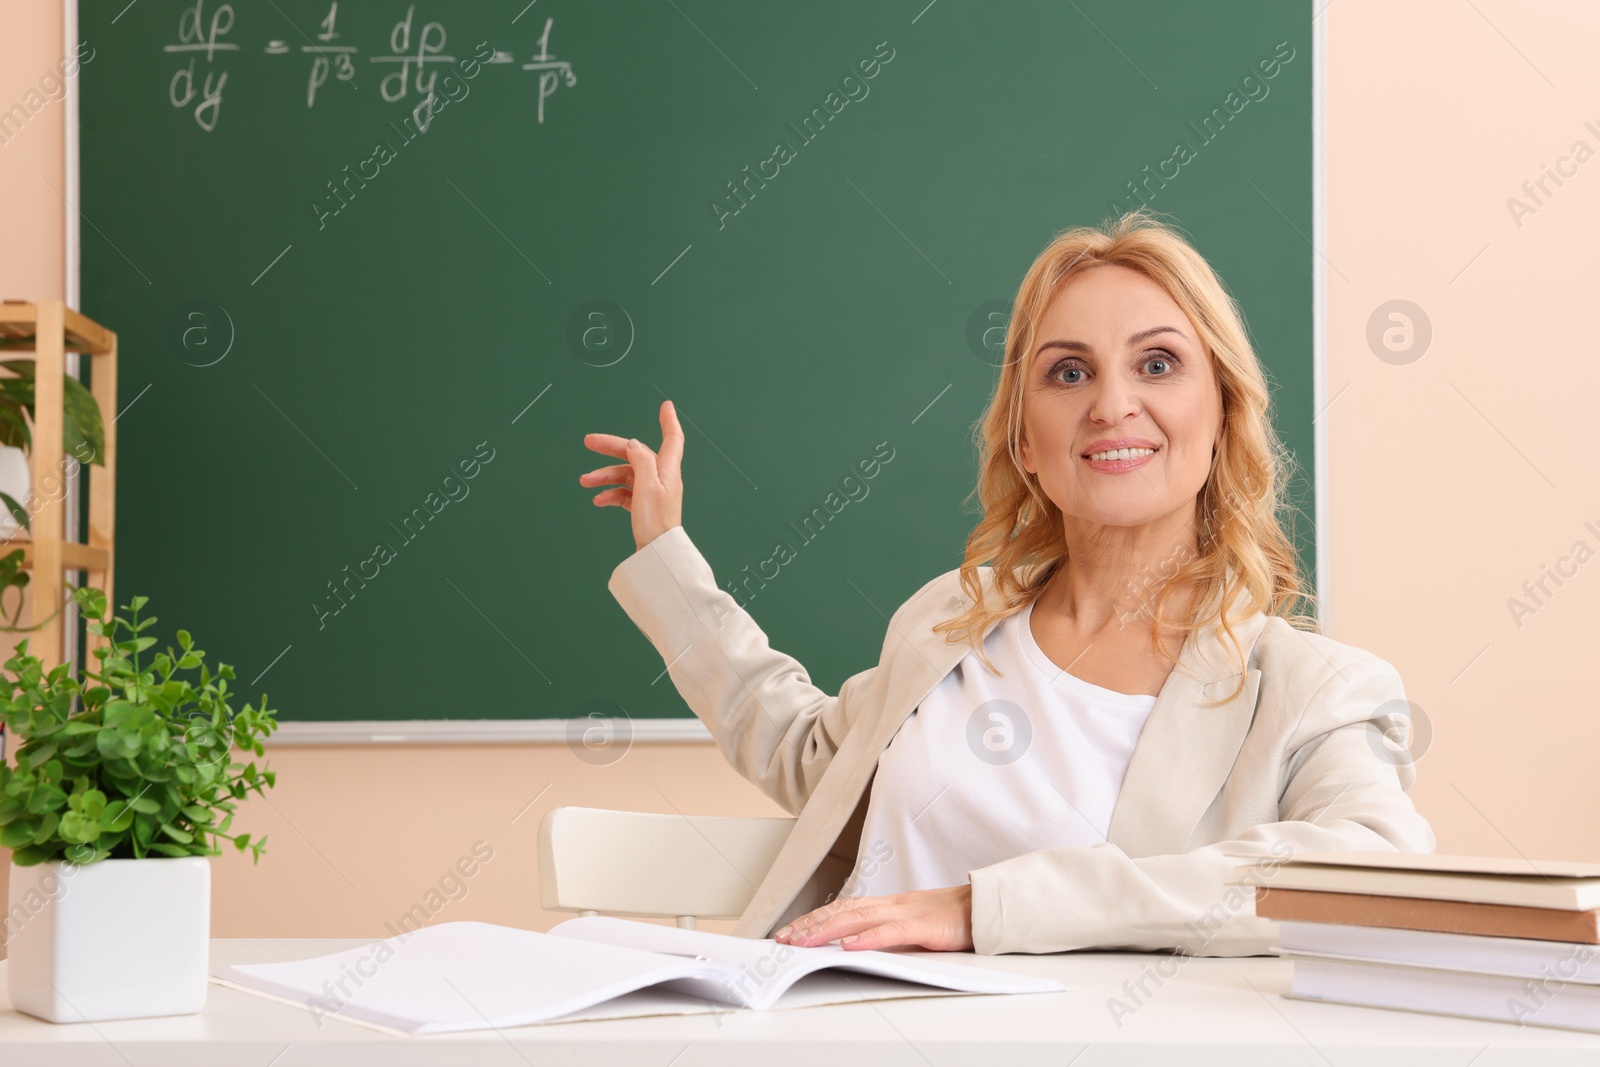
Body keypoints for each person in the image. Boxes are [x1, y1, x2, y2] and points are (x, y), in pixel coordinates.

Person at [579, 210, 1434, 956]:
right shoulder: (951, 621)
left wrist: (985, 908)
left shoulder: (1310, 691)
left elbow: (1372, 868)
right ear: (1026, 439)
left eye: (1159, 364)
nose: (1110, 405)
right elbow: (806, 754)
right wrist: (668, 558)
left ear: (1222, 417)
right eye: (1068, 372)